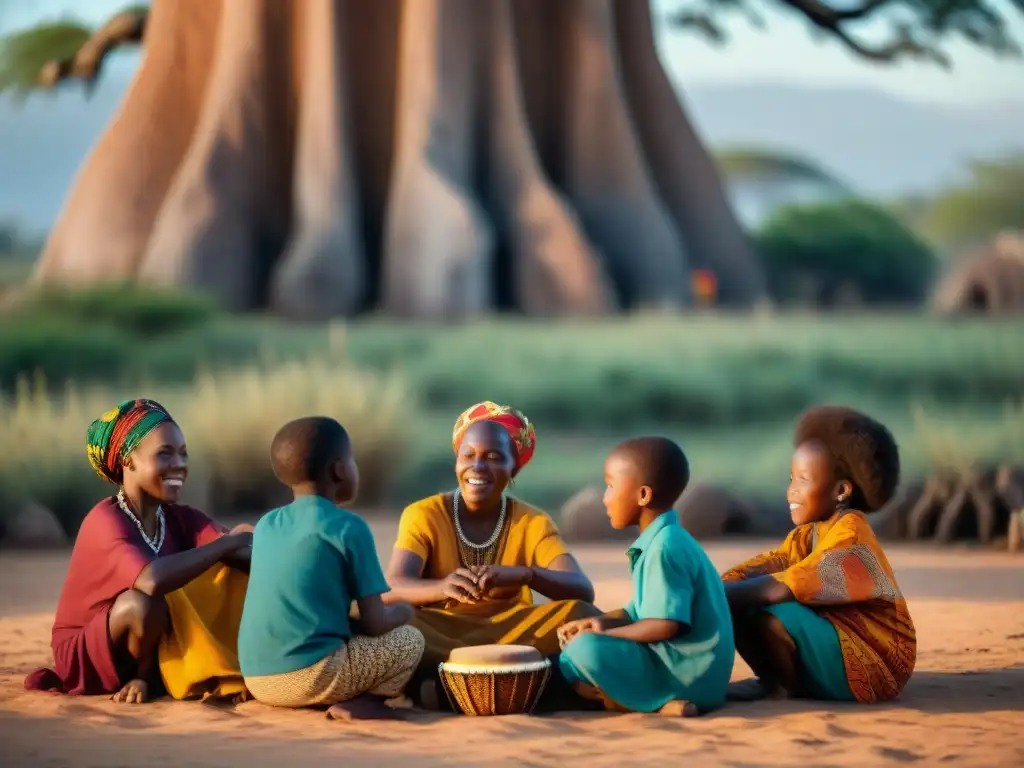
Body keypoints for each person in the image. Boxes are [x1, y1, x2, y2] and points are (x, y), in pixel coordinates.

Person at [24, 399, 253, 704]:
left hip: (149, 636)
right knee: (141, 604)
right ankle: (143, 678)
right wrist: (227, 543)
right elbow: (151, 580)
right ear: (128, 461)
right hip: (91, 649)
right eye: (165, 454)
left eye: (183, 454)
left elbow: (242, 546)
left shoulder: (177, 517)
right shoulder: (104, 521)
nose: (179, 465)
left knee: (230, 570)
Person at [384, 401, 601, 708]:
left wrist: (526, 574)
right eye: (468, 455)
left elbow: (582, 589)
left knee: (581, 614)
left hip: (512, 632)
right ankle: (533, 684)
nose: (478, 467)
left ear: (513, 468)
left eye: (493, 457)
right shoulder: (423, 514)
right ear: (456, 462)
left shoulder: (533, 521)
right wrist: (441, 586)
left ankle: (444, 687)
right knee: (382, 619)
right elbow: (392, 586)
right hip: (440, 629)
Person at [721, 405, 916, 704]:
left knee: (773, 610)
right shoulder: (808, 534)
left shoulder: (852, 538)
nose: (791, 491)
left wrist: (711, 594)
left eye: (803, 479)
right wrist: (718, 582)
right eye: (791, 478)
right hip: (836, 646)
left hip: (875, 664)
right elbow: (768, 565)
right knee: (741, 599)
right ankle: (787, 679)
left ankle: (778, 687)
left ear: (840, 490)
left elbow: (784, 585)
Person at [238, 416, 424, 721]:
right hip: (310, 677)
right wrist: (403, 612)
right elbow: (376, 624)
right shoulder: (349, 527)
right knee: (409, 641)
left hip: (257, 679)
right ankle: (366, 701)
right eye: (352, 460)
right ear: (339, 469)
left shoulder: (268, 524)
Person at [557, 437, 735, 715]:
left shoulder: (665, 547)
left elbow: (666, 625)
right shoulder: (664, 539)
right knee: (580, 646)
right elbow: (643, 609)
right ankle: (642, 699)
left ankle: (648, 701)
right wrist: (601, 622)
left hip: (686, 675)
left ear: (643, 496)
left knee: (584, 650)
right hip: (698, 675)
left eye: (610, 487)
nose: (604, 498)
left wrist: (611, 637)